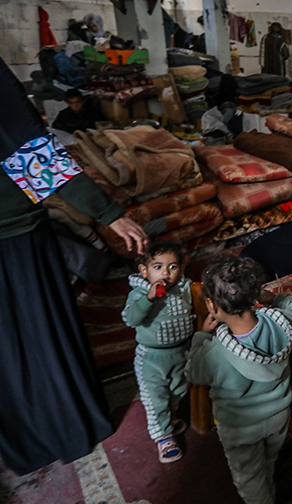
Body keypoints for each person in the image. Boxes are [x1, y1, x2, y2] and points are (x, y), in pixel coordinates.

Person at [0, 55, 147, 475]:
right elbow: (27, 148)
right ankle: (65, 428)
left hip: (13, 230)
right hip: (14, 238)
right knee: (40, 334)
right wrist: (107, 212)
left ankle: (26, 443)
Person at [186, 255, 292, 504]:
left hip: (240, 428)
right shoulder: (282, 323)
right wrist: (276, 299)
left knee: (249, 478)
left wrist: (201, 337)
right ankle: (269, 486)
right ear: (254, 296)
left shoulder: (214, 353)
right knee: (269, 460)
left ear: (212, 306)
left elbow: (192, 372)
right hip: (278, 417)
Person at [122, 241, 196, 463]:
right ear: (144, 270)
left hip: (181, 352)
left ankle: (169, 419)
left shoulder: (184, 288)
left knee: (178, 391)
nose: (165, 273)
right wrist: (149, 299)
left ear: (181, 268)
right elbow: (131, 319)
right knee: (156, 399)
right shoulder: (139, 293)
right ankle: (163, 436)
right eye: (158, 267)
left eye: (172, 267)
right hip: (152, 358)